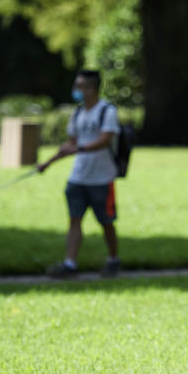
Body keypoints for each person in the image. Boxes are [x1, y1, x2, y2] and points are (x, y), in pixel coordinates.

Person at [38, 70, 122, 277]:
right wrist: (48, 162)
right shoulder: (77, 113)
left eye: (81, 86)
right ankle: (70, 264)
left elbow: (105, 139)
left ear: (92, 89)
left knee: (106, 221)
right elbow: (71, 143)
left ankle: (113, 259)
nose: (77, 90)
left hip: (102, 177)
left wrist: (81, 149)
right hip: (78, 177)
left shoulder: (106, 111)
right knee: (74, 220)